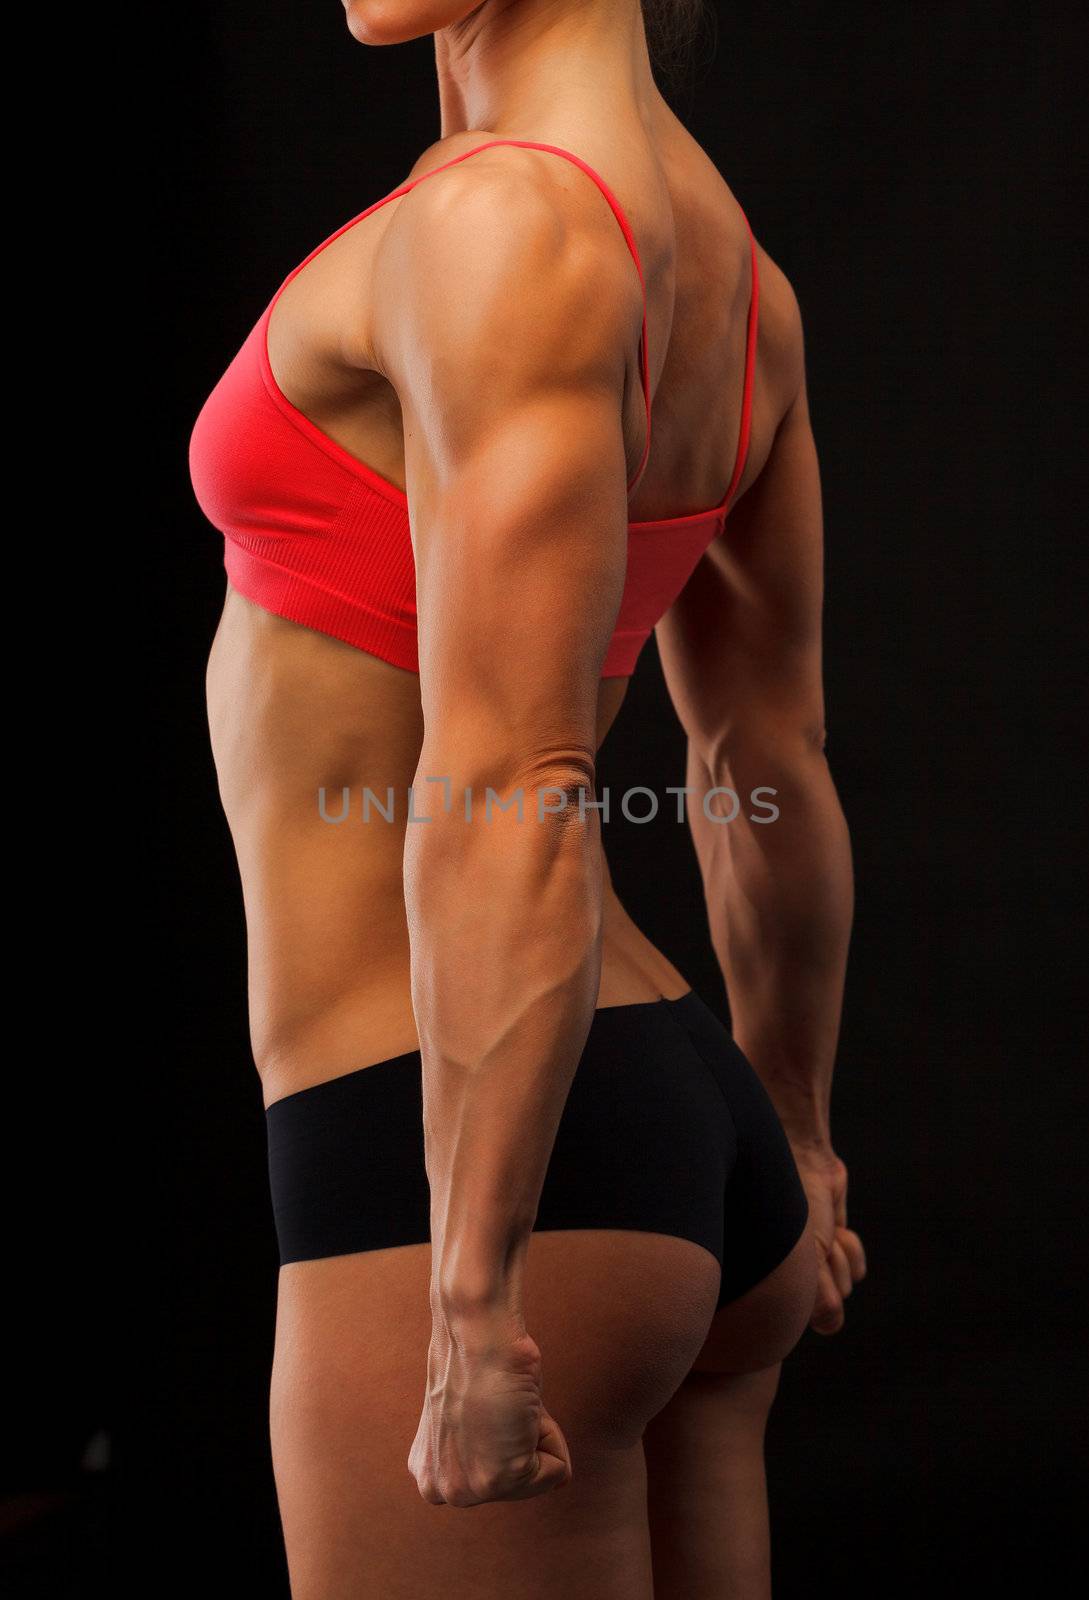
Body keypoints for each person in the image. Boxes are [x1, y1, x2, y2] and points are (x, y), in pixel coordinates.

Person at [188, 0, 866, 1593]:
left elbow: (518, 781)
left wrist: (471, 1300)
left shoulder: (511, 223)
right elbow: (762, 762)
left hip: (486, 1156)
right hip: (660, 1120)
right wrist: (798, 1134)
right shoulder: (733, 277)